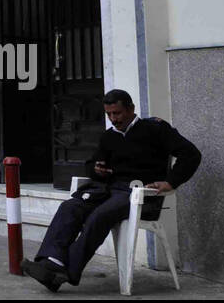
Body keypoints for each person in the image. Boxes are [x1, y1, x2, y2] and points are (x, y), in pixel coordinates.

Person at [23, 89, 201, 291]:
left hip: (140, 195)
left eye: (117, 113)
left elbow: (191, 154)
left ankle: (65, 272)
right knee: (70, 207)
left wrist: (170, 182)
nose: (113, 119)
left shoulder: (156, 130)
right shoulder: (109, 137)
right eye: (109, 114)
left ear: (131, 109)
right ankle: (51, 262)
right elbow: (92, 165)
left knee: (99, 216)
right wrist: (97, 170)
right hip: (108, 191)